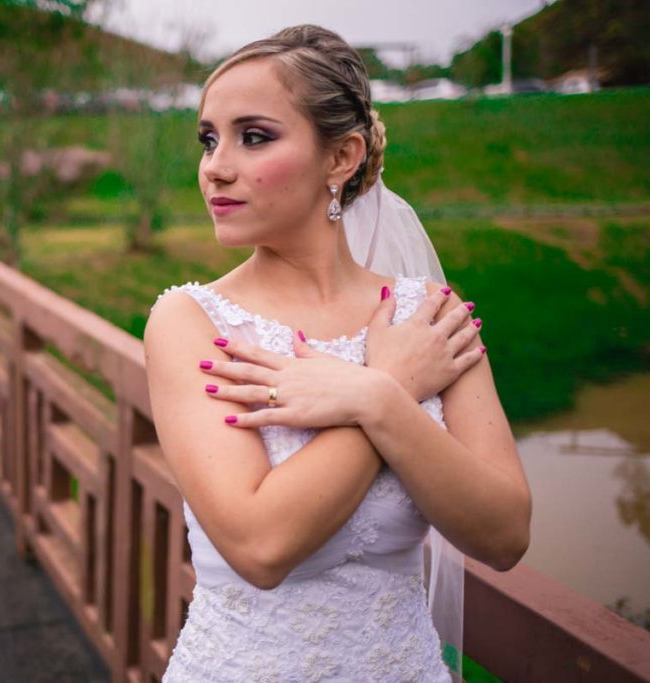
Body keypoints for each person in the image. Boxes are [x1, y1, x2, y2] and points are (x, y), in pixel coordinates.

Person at [144, 25, 531, 682]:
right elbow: (261, 545)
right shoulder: (190, 322)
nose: (216, 164)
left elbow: (504, 535)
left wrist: (376, 397)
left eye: (254, 135)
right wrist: (389, 382)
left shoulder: (429, 315)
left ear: (341, 156)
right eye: (209, 138)